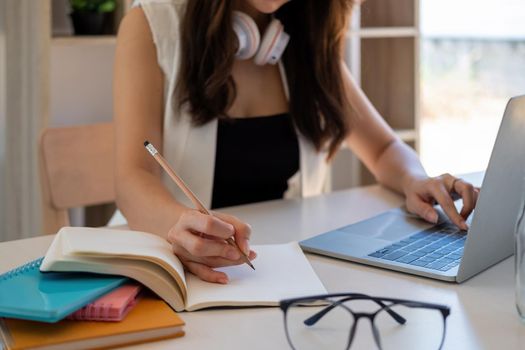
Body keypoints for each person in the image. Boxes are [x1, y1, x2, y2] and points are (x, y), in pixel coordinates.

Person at [113, 0, 479, 284]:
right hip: (173, 267)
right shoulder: (152, 25)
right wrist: (180, 228)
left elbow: (383, 148)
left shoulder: (306, 34)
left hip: (272, 269)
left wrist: (416, 180)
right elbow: (133, 177)